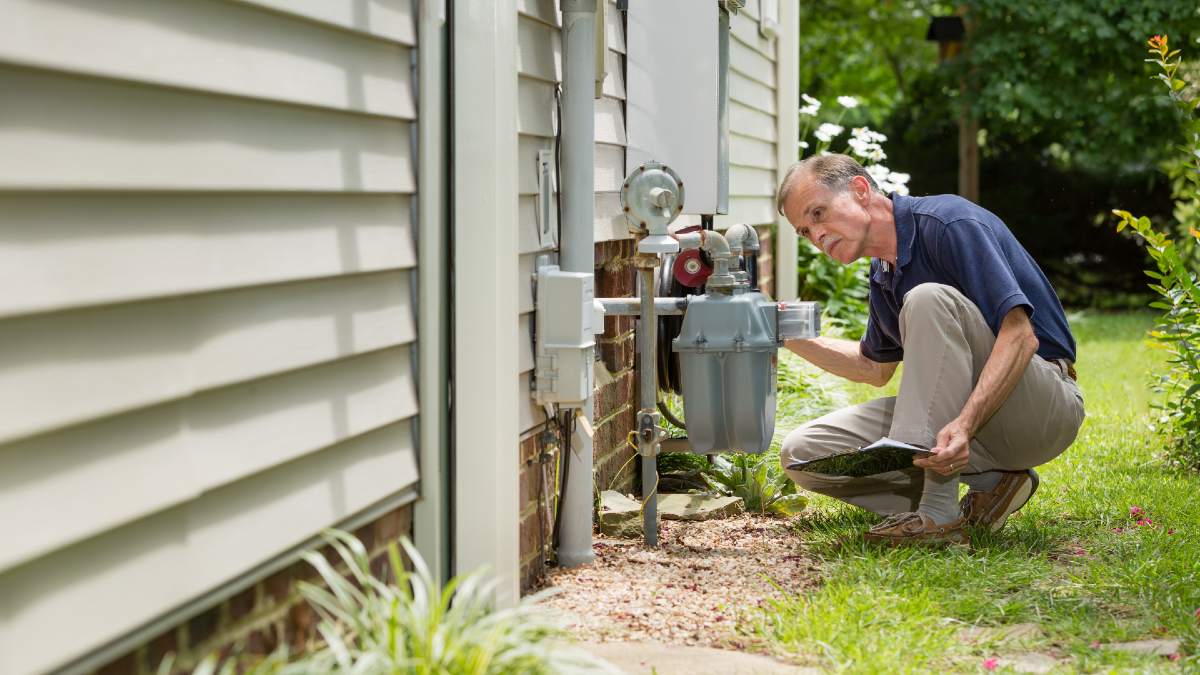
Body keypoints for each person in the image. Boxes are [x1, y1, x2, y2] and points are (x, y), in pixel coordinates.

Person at [775, 153, 1085, 545]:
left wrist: (964, 423)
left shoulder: (949, 224)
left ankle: (937, 516)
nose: (816, 235)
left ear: (860, 190)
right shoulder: (883, 272)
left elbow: (1021, 336)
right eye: (804, 231)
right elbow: (873, 368)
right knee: (803, 453)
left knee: (928, 298)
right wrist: (784, 334)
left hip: (1039, 409)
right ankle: (995, 482)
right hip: (973, 430)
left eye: (818, 214)